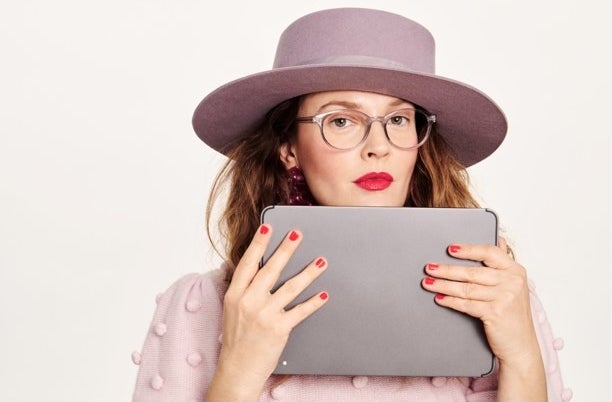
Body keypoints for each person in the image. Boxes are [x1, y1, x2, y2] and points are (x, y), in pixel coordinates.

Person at [131, 8, 570, 401]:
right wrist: (239, 371)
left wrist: (523, 360)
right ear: (289, 148)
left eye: (398, 119)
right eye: (341, 120)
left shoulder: (496, 294)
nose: (378, 146)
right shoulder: (202, 303)